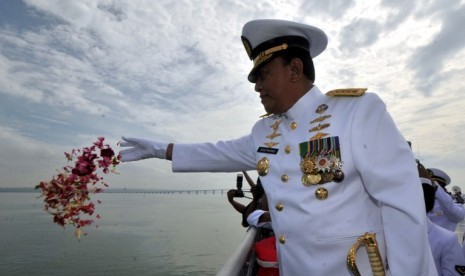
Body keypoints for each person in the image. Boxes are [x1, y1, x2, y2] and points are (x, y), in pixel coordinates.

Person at [119, 19, 436, 275]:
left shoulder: (356, 112)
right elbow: (218, 151)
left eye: (264, 74)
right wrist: (160, 149)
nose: (256, 86)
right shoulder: (264, 131)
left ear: (295, 70)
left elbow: (401, 204)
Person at [418, 162, 465, 275]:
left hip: (445, 251)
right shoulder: (420, 202)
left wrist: (434, 186)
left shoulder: (451, 205)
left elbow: (456, 214)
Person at [428, 167, 465, 232]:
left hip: (442, 241)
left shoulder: (453, 203)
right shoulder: (421, 201)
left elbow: (457, 215)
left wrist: (436, 189)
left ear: (441, 187)